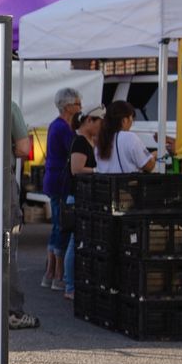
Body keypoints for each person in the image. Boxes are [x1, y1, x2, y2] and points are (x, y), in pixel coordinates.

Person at [42, 87, 81, 292]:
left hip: (53, 179)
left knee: (57, 225)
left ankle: (50, 272)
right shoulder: (63, 128)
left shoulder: (55, 125)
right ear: (68, 106)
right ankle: (56, 274)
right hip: (60, 181)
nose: (80, 107)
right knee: (61, 226)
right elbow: (73, 150)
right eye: (77, 103)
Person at [63, 105, 103, 301]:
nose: (100, 127)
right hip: (77, 196)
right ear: (89, 121)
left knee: (76, 241)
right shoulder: (80, 141)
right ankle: (70, 285)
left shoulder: (87, 140)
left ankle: (71, 283)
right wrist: (97, 171)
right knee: (74, 241)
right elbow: (76, 169)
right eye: (98, 122)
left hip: (83, 196)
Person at [8, 101, 40, 330]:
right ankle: (12, 311)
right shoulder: (7, 103)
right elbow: (22, 147)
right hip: (0, 179)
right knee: (6, 246)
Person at [96, 100, 157, 174]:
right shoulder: (130, 137)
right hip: (125, 184)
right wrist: (153, 156)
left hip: (104, 184)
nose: (132, 122)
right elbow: (148, 166)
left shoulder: (101, 138)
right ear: (124, 120)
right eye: (131, 118)